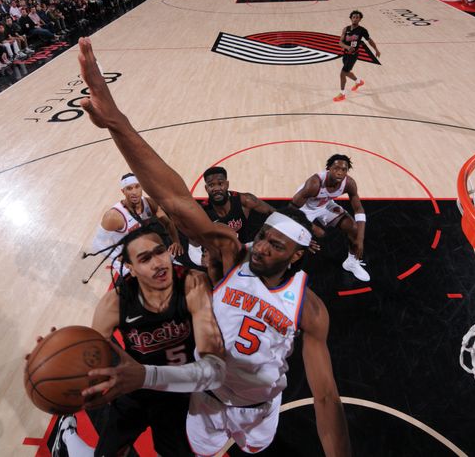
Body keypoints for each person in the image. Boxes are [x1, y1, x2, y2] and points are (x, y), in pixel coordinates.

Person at [75, 37, 352, 456]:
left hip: (260, 409)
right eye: (262, 237)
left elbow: (326, 397)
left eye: (275, 247)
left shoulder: (308, 308)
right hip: (205, 401)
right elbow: (173, 198)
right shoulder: (230, 254)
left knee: (255, 448)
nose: (260, 248)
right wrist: (117, 122)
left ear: (296, 256)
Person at [51, 225, 226, 457]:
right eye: (145, 259)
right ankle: (67, 436)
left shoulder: (193, 284)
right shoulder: (114, 303)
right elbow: (94, 356)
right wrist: (63, 363)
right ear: (131, 269)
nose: (158, 263)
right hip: (135, 390)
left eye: (160, 252)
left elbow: (211, 360)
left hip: (181, 390)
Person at [291, 154, 370, 282]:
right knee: (294, 238)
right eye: (336, 168)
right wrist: (309, 227)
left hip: (325, 205)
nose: (340, 172)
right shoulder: (314, 184)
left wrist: (360, 239)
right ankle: (288, 268)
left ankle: (351, 263)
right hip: (304, 209)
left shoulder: (349, 183)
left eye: (344, 170)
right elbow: (291, 210)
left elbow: (359, 209)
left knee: (354, 229)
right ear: (328, 168)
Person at [88, 173, 184, 277]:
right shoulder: (114, 216)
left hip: (144, 250)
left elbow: (167, 223)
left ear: (141, 187)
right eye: (129, 188)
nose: (134, 192)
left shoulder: (148, 203)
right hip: (127, 260)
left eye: (137, 187)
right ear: (123, 191)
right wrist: (119, 256)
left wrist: (176, 241)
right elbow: (97, 244)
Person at [200, 166, 275, 243]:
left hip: (244, 249)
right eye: (211, 185)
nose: (216, 189)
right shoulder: (202, 212)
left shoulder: (245, 200)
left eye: (220, 183)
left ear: (227, 184)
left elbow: (273, 212)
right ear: (206, 188)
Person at [333, 10, 380, 102]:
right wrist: (347, 47)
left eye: (357, 17)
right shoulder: (345, 29)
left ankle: (342, 93)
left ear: (360, 19)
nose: (355, 19)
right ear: (351, 18)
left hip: (353, 55)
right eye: (353, 17)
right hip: (345, 54)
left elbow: (369, 40)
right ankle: (358, 81)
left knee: (342, 73)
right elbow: (340, 42)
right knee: (347, 72)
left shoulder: (362, 30)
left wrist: (376, 50)